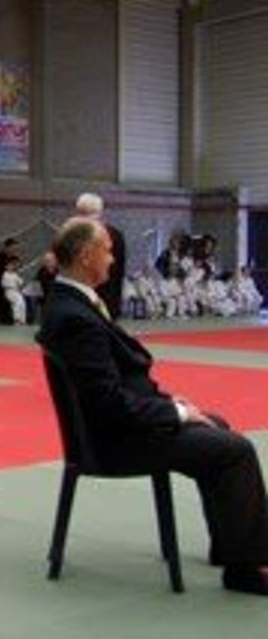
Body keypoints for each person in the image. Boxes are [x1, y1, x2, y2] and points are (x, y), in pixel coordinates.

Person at [37, 216, 268, 596]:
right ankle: (246, 570)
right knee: (236, 452)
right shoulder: (74, 316)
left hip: (124, 426)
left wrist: (167, 402)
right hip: (114, 443)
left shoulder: (73, 304)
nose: (113, 260)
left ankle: (234, 550)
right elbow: (108, 402)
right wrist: (173, 414)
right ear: (84, 256)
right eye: (108, 251)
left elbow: (118, 383)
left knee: (218, 425)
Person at [76, 193, 126, 318]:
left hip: (84, 301)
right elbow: (120, 270)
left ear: (79, 211)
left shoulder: (76, 235)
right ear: (100, 211)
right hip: (110, 299)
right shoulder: (116, 234)